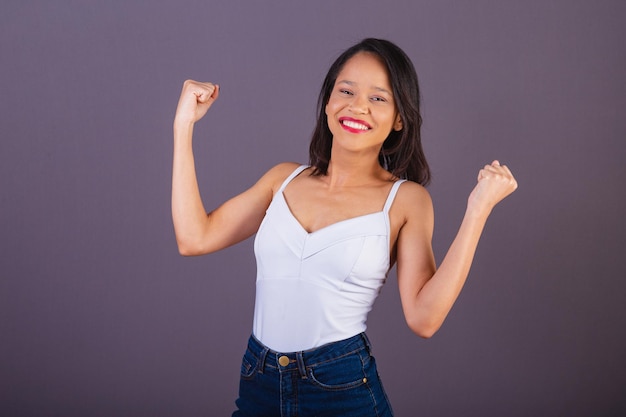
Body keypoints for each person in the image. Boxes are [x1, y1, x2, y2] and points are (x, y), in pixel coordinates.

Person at [171, 38, 517, 417]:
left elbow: (424, 319)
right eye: (346, 91)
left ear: (400, 118)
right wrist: (183, 125)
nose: (358, 107)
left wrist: (477, 210)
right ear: (328, 101)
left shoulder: (405, 200)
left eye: (379, 98)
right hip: (260, 379)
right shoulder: (283, 179)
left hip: (340, 386)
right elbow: (194, 238)